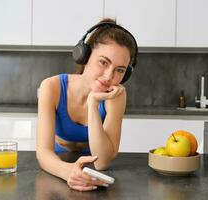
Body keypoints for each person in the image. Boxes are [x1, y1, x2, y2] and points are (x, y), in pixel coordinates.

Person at [36, 18, 138, 192]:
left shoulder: (116, 95)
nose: (109, 76)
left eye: (120, 70)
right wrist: (68, 172)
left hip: (95, 174)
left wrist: (93, 103)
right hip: (57, 170)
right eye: (103, 62)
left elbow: (103, 162)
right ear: (84, 56)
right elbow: (43, 153)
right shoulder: (51, 87)